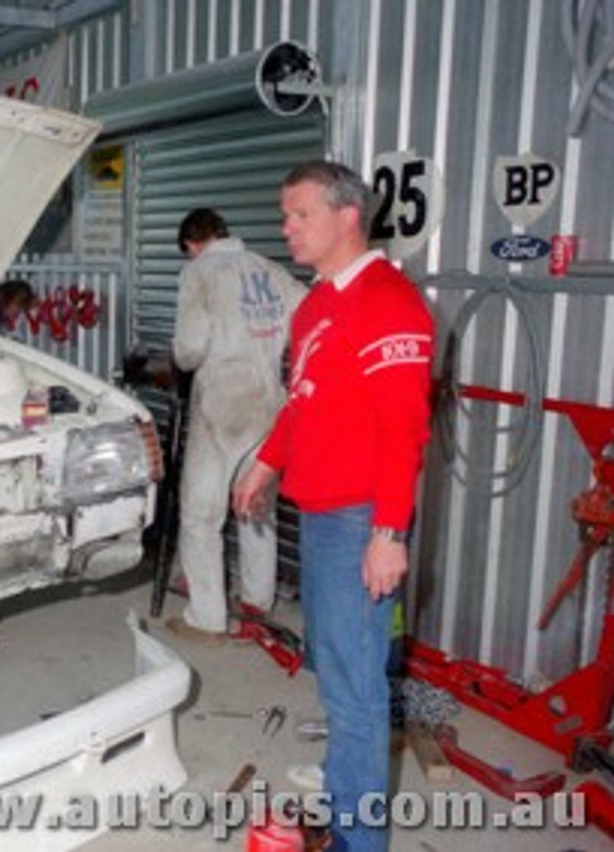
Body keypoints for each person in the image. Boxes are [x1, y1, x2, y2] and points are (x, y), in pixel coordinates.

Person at [232, 161, 434, 852]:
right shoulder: (317, 304)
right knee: (335, 668)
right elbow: (304, 401)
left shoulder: (390, 304)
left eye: (299, 215)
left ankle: (358, 839)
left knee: (356, 692)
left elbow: (404, 430)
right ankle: (344, 784)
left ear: (348, 216)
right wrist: (265, 459)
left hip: (358, 520)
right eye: (285, 215)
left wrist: (388, 533)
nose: (286, 227)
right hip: (318, 516)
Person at [163, 208, 305, 643]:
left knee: (201, 515)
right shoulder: (269, 269)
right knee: (255, 505)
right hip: (268, 402)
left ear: (192, 244)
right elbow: (309, 316)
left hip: (222, 405)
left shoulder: (200, 272)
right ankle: (256, 604)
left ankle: (206, 618)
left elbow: (189, 349)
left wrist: (176, 357)